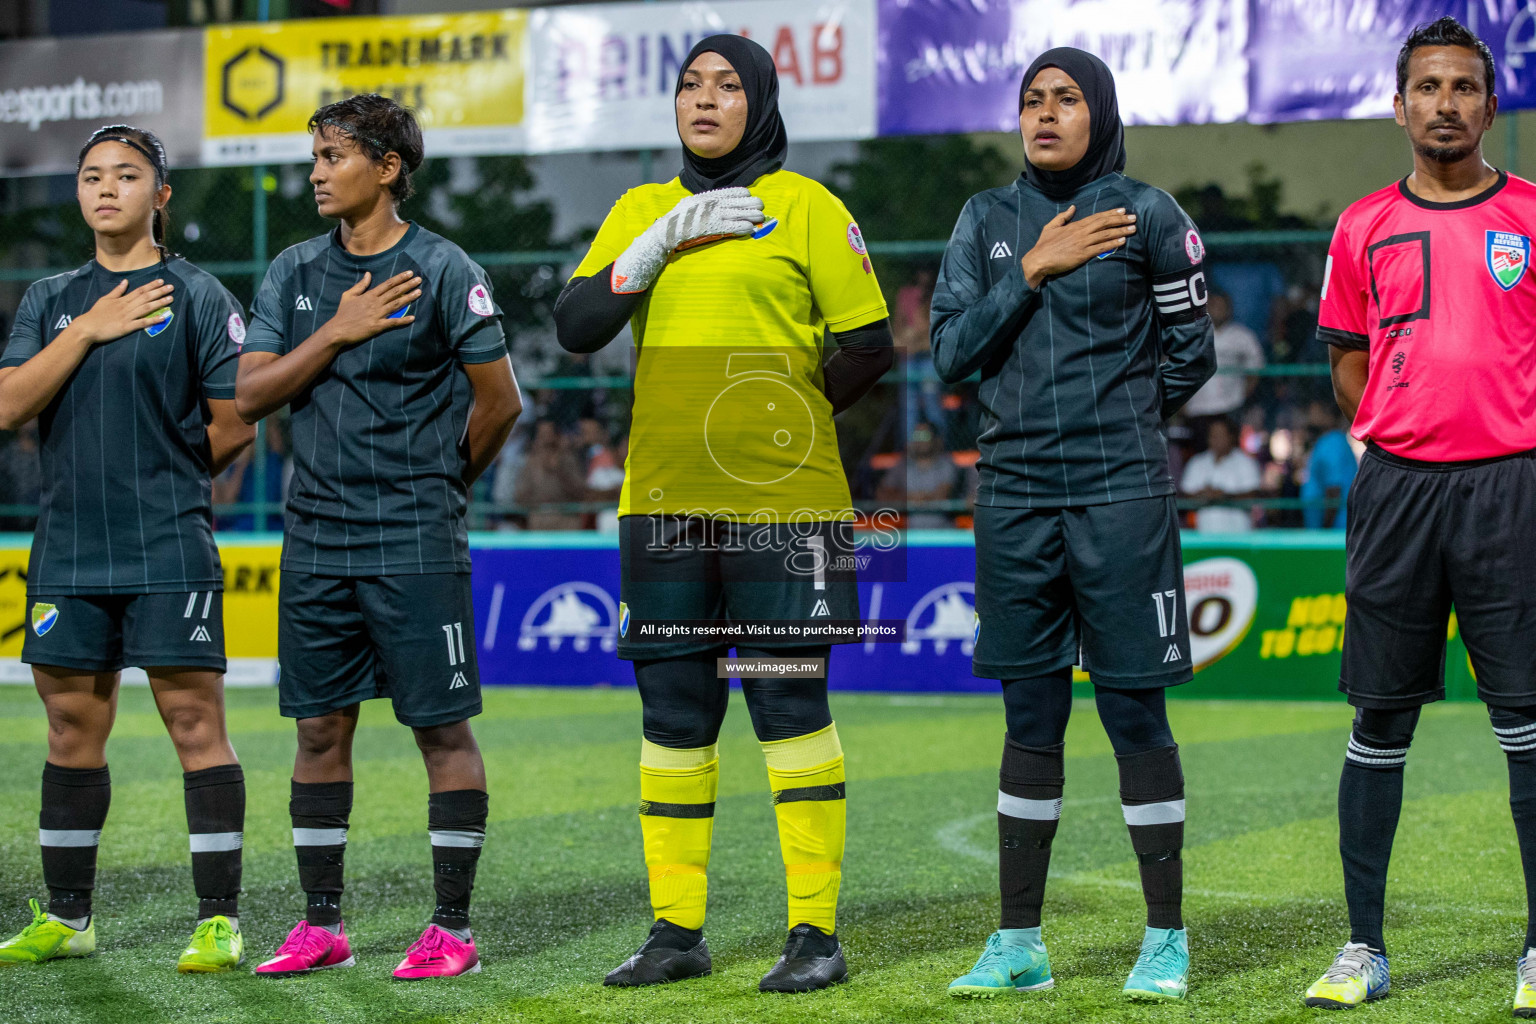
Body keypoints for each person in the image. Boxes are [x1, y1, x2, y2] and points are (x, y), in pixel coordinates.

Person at [553, 34, 892, 993]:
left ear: (763, 102)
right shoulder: (639, 209)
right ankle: (675, 933)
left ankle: (815, 936)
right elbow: (577, 328)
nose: (705, 99)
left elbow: (869, 347)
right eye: (691, 84)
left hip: (786, 515)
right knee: (674, 713)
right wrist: (655, 247)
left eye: (728, 85)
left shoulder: (807, 208)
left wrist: (780, 418)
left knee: (787, 703)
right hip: (661, 508)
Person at [930, 48, 1214, 1001]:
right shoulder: (984, 220)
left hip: (1120, 498)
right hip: (1012, 499)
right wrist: (1035, 269)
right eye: (1032, 101)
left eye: (1066, 99)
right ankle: (1019, 944)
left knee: (1135, 707)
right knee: (1030, 715)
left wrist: (1117, 427)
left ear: (1101, 110)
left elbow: (1192, 357)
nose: (1046, 115)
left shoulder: (1149, 215)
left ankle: (1166, 938)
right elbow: (950, 355)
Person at [233, 94, 521, 981]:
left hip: (416, 542)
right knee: (318, 730)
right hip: (316, 541)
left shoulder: (442, 266)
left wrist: (439, 489)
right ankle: (321, 924)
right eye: (314, 157)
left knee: (440, 731)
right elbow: (250, 394)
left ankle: (453, 931)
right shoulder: (293, 272)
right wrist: (339, 329)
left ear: (387, 166)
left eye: (333, 156)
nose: (316, 172)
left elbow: (500, 400)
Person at [1304, 18, 1536, 1013]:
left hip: (1512, 488)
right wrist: (1392, 437)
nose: (1446, 102)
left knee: (1527, 720)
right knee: (1380, 718)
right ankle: (1364, 946)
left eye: (1464, 87)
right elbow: (1347, 361)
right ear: (1399, 107)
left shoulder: (1531, 215)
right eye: (1428, 87)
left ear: (1491, 105)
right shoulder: (1361, 225)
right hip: (1397, 488)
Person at [0, 125, 255, 972]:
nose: (105, 188)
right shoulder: (50, 299)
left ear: (161, 194)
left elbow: (231, 426)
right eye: (90, 176)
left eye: (126, 175)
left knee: (194, 724)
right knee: (72, 728)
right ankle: (69, 919)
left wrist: (161, 482)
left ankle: (218, 919)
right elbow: (7, 405)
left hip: (166, 545)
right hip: (68, 548)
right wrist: (88, 330)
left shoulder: (199, 295)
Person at [1181, 289, 1265, 449]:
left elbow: (1255, 370)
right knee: (1198, 454)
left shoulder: (1243, 336)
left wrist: (1242, 397)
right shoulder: (1190, 333)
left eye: (1222, 306)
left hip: (1230, 407)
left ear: (1229, 309)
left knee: (1230, 452)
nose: (1218, 309)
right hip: (1197, 409)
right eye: (1214, 305)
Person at [1179, 417, 1262, 533]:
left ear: (1231, 437)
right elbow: (1184, 494)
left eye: (1220, 435)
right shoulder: (1197, 462)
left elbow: (1254, 494)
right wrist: (1203, 494)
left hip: (1240, 537)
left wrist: (1224, 496)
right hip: (1204, 537)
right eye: (1213, 436)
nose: (1215, 440)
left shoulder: (1246, 463)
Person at [876, 421, 961, 528]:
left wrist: (912, 498)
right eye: (916, 436)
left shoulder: (946, 463)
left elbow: (942, 494)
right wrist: (909, 497)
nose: (919, 440)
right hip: (912, 533)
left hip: (942, 533)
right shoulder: (901, 465)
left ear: (935, 439)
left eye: (924, 436)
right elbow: (882, 494)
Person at [1299, 401, 1358, 529]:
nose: (1309, 413)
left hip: (1335, 533)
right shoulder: (1327, 441)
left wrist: (1325, 528)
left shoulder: (1332, 442)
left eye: (1315, 409)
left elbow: (1334, 491)